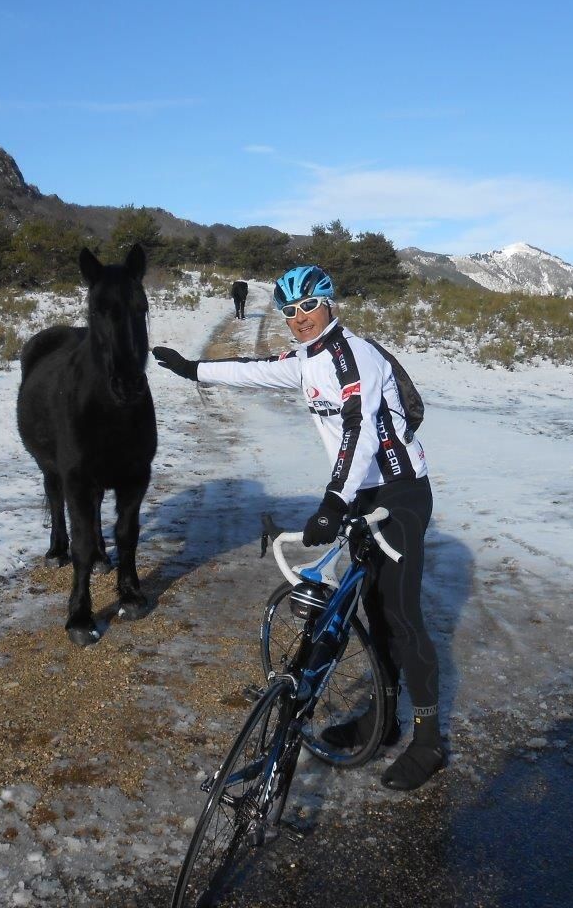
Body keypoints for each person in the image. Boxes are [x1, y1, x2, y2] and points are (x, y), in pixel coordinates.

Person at [152, 265, 445, 790]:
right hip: (359, 492)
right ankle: (383, 721)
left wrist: (333, 500)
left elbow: (360, 434)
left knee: (400, 615)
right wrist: (195, 370)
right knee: (372, 610)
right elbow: (256, 369)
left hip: (400, 492)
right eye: (289, 312)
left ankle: (429, 742)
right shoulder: (307, 359)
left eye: (308, 307)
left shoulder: (355, 356)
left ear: (329, 303)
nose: (299, 320)